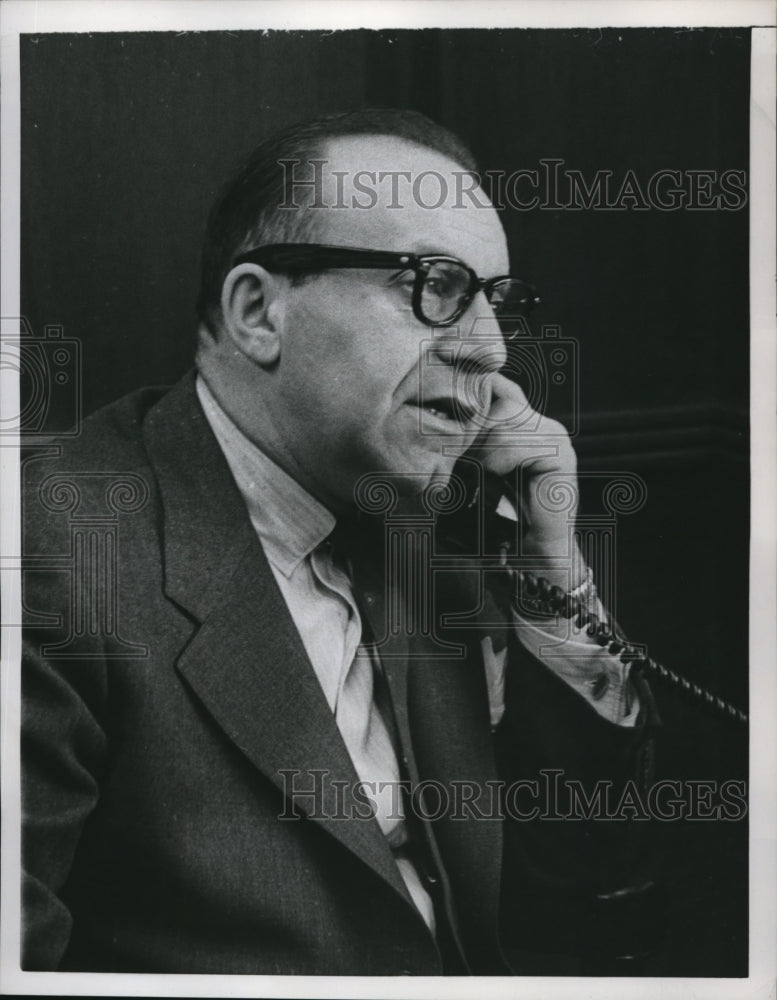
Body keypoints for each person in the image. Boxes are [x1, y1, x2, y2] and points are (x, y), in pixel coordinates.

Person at [21, 108, 657, 975]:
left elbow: (580, 887)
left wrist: (552, 570)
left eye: (496, 302)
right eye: (435, 285)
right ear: (258, 313)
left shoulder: (430, 533)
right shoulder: (53, 557)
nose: (491, 349)